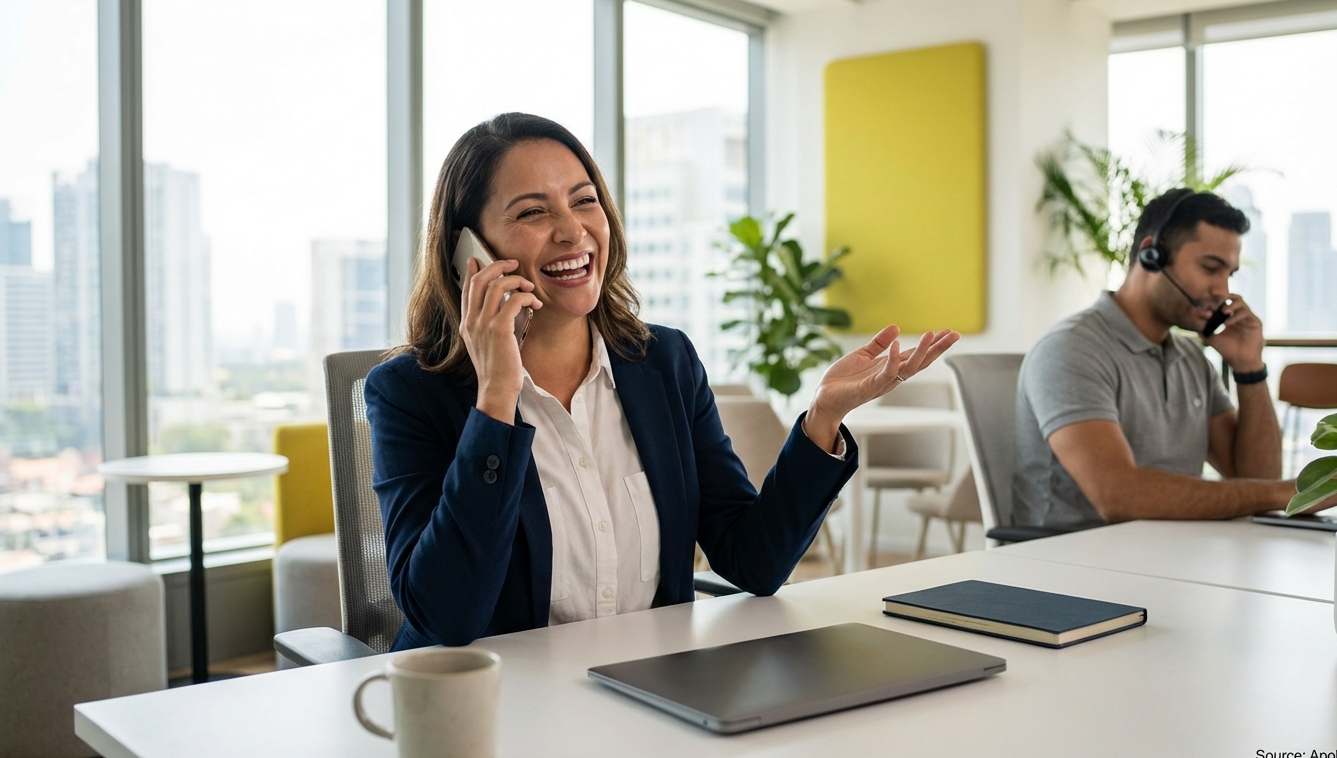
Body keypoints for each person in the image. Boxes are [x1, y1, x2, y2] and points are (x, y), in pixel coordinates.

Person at [366, 113, 960, 650]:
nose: (573, 232)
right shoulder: (409, 393)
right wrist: (496, 397)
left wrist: (824, 416)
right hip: (494, 716)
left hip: (651, 694)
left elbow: (752, 560)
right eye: (532, 211)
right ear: (468, 252)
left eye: (585, 201)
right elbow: (446, 619)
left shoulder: (663, 362)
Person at [1013, 188, 1337, 531]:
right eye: (1211, 268)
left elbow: (1255, 479)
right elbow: (1118, 497)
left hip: (1172, 554)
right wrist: (1290, 491)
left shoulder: (1191, 358)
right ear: (1152, 255)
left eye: (1229, 274)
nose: (1222, 290)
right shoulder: (1071, 350)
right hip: (1070, 566)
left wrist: (1249, 368)